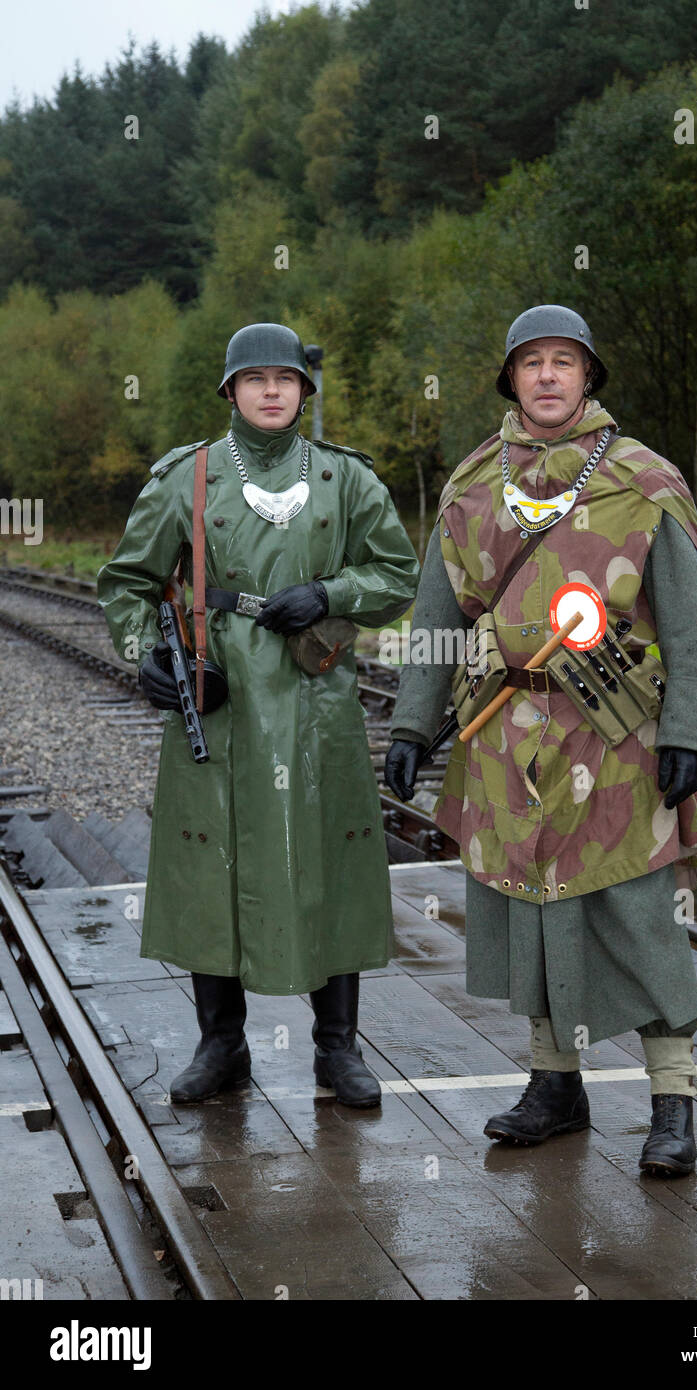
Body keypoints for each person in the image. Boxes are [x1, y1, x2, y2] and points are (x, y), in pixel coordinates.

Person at [385, 305, 697, 1174]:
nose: (546, 376)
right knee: (526, 910)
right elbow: (436, 615)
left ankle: (673, 1101)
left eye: (563, 362)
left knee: (636, 915)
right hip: (504, 741)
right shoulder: (471, 486)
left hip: (616, 740)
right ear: (510, 379)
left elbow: (690, 623)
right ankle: (554, 1084)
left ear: (587, 377)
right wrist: (415, 723)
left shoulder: (644, 481)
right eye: (531, 362)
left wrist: (690, 730)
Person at [98, 322, 420, 1108]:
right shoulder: (189, 477)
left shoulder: (346, 480)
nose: (272, 391)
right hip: (224, 697)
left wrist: (334, 594)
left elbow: (398, 574)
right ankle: (222, 1045)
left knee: (333, 855)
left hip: (318, 697)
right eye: (255, 379)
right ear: (232, 391)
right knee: (212, 861)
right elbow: (128, 581)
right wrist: (152, 654)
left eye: (285, 379)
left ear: (303, 391)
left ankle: (337, 1049)